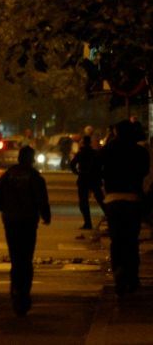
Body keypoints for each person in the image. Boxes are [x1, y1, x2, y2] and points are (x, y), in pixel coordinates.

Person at [0, 146, 50, 316]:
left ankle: (16, 289)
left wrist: (8, 210)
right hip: (28, 221)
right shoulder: (35, 177)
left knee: (16, 257)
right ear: (32, 159)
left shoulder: (7, 176)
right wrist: (45, 215)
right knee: (26, 258)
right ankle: (23, 292)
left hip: (11, 221)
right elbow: (42, 199)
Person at [97, 120, 149, 297]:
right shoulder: (140, 151)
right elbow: (144, 171)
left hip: (113, 200)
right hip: (133, 199)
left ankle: (119, 270)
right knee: (132, 240)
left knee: (117, 240)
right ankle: (132, 276)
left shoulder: (108, 150)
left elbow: (97, 170)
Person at [70, 136, 105, 229]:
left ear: (83, 143)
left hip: (84, 178)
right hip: (94, 179)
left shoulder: (81, 153)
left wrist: (77, 172)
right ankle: (110, 217)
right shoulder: (95, 153)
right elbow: (102, 164)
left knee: (83, 202)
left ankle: (88, 222)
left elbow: (72, 164)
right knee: (101, 200)